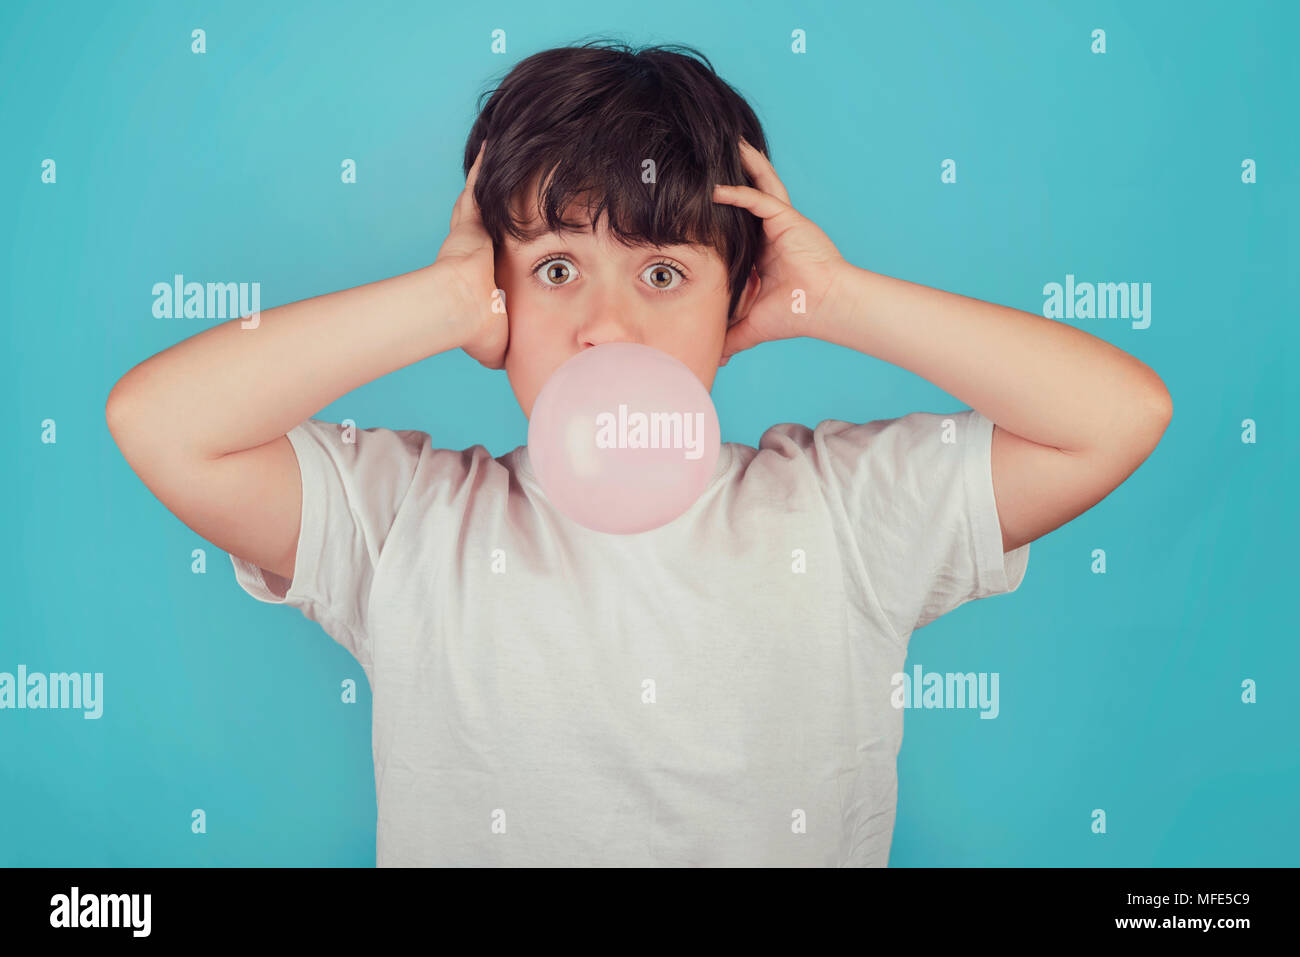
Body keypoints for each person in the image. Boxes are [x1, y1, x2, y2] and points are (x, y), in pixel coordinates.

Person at [104, 40, 1172, 866]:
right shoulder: (403, 520)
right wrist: (437, 300)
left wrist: (837, 300)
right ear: (498, 294)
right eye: (558, 269)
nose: (604, 326)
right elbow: (163, 424)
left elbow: (1116, 415)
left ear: (737, 301)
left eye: (662, 274)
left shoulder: (844, 512)